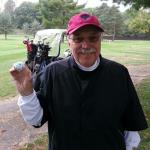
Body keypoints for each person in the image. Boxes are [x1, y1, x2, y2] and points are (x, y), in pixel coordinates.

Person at [10, 12, 148, 150]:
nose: (86, 45)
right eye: (78, 39)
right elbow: (36, 119)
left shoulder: (118, 73)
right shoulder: (53, 73)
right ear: (69, 42)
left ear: (100, 40)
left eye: (93, 38)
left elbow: (131, 126)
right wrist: (27, 94)